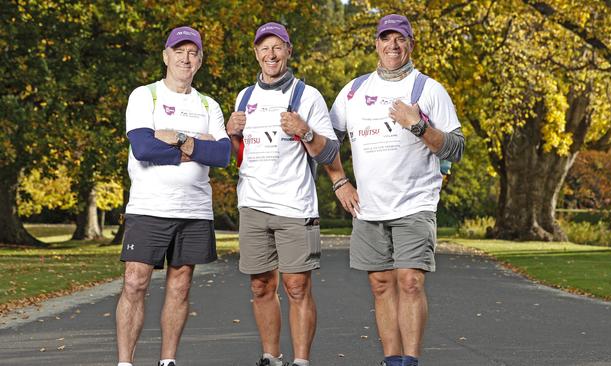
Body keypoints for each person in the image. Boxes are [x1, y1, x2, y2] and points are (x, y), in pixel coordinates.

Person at [329, 14, 465, 366]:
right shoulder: (354, 90)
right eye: (386, 38)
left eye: (400, 38)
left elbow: (456, 147)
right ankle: (392, 360)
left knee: (410, 281)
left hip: (415, 203)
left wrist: (418, 125)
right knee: (380, 284)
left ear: (410, 44)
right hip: (369, 207)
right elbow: (327, 144)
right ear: (376, 43)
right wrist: (340, 181)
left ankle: (411, 361)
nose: (392, 45)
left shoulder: (428, 89)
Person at [226, 22, 357, 366]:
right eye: (263, 48)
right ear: (256, 53)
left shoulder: (307, 95)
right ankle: (271, 357)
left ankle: (301, 361)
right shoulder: (245, 97)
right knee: (260, 287)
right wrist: (232, 135)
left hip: (294, 206)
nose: (270, 55)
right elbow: (240, 155)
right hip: (252, 204)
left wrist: (305, 131)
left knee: (296, 287)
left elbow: (329, 153)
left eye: (277, 47)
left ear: (288, 50)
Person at [116, 26, 231, 366]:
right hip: (148, 208)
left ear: (200, 61)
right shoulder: (145, 96)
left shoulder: (209, 104)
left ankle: (168, 361)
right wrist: (198, 144)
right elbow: (142, 147)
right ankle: (126, 362)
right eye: (179, 51)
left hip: (194, 210)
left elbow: (223, 155)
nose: (186, 57)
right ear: (166, 56)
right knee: (135, 283)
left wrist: (177, 138)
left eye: (193, 52)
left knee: (180, 286)